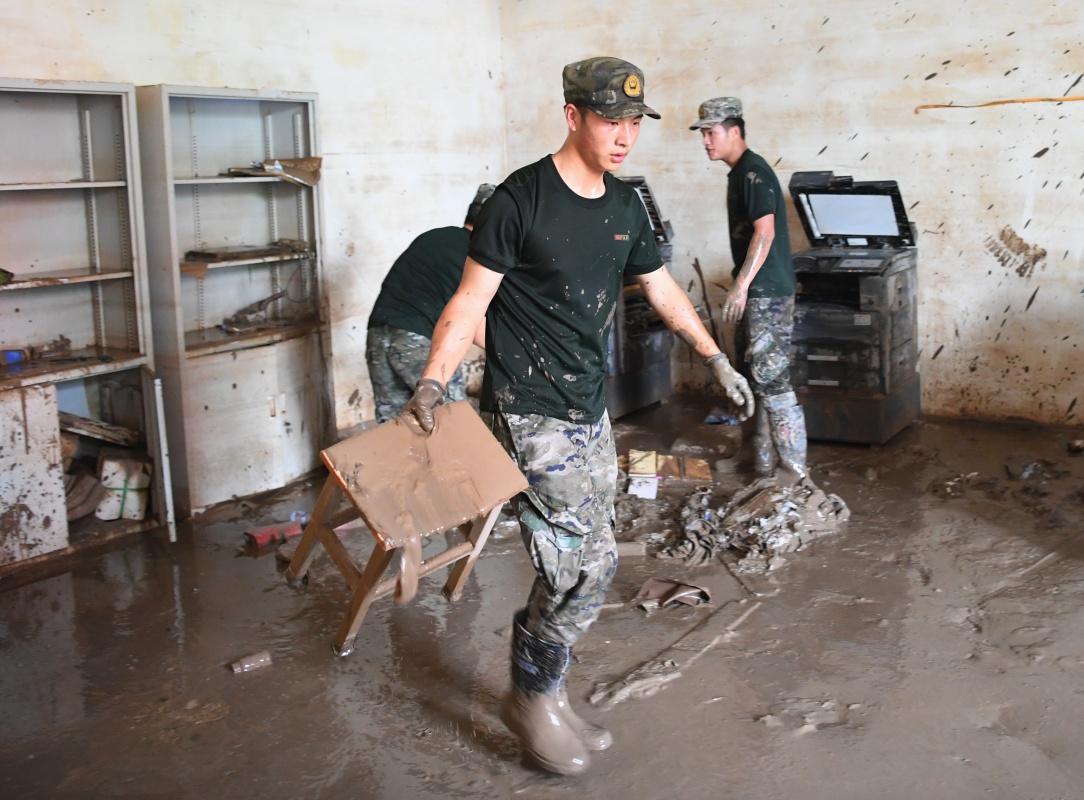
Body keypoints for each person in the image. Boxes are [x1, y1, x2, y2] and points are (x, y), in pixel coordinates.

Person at [399, 58, 754, 775]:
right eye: (608, 119)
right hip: (526, 409)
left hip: (586, 407)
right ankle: (531, 696)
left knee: (591, 549)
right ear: (572, 116)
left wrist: (716, 357)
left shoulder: (625, 206)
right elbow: (467, 303)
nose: (624, 135)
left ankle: (545, 692)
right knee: (584, 565)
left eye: (633, 122)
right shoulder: (518, 202)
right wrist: (433, 383)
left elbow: (662, 291)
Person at [690, 97, 807, 478]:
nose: (706, 140)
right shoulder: (738, 173)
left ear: (734, 131)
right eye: (703, 133)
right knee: (749, 375)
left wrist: (740, 287)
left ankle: (793, 471)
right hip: (755, 290)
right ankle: (754, 459)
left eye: (711, 132)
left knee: (772, 379)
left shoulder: (754, 173)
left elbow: (766, 232)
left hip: (766, 293)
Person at [365, 183, 495, 422]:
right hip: (418, 338)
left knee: (393, 424)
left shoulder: (434, 237)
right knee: (453, 419)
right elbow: (472, 324)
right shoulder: (477, 256)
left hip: (378, 334)